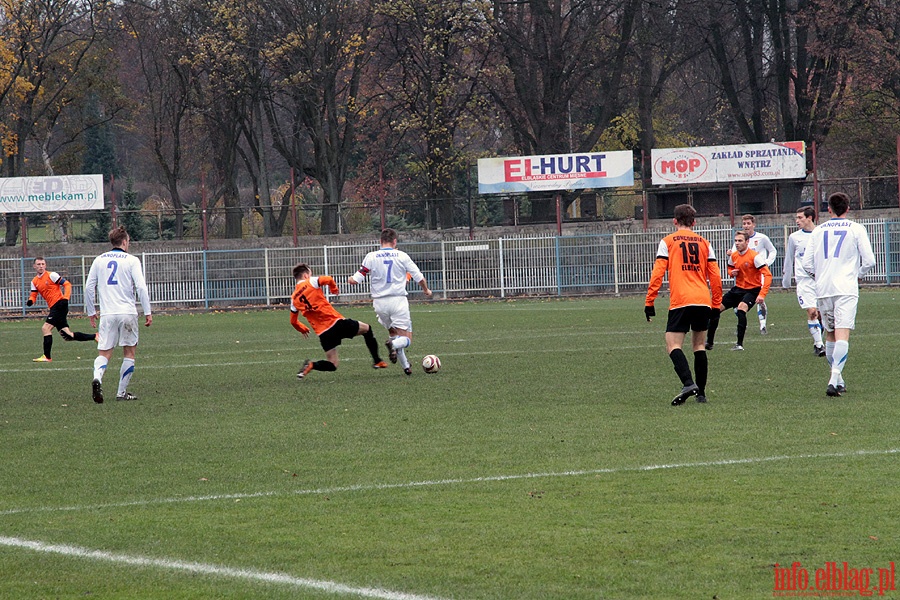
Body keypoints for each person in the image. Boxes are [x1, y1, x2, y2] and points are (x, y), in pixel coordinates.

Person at [645, 204, 723, 406]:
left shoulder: (668, 242)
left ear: (674, 221)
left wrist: (650, 300)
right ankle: (702, 394)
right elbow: (715, 276)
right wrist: (716, 304)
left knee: (673, 344)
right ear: (694, 222)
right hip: (702, 300)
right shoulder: (705, 243)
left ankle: (688, 383)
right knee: (699, 345)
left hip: (681, 300)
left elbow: (658, 273)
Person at [801, 192, 876, 397]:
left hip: (824, 288)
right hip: (845, 288)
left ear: (829, 209)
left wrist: (819, 275)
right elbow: (869, 261)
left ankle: (839, 380)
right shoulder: (856, 228)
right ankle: (834, 379)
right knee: (843, 332)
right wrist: (857, 275)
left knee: (831, 333)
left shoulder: (818, 231)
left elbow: (807, 263)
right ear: (848, 208)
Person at [347, 228, 432, 376]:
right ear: (395, 241)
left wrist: (350, 279)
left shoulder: (371, 256)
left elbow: (356, 279)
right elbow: (419, 277)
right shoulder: (402, 256)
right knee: (406, 339)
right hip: (398, 301)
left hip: (379, 303)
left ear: (380, 242)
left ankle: (406, 366)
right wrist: (426, 290)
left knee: (393, 332)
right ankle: (393, 345)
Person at [84, 226, 152, 403]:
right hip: (127, 313)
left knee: (104, 353)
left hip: (107, 314)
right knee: (129, 352)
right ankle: (121, 392)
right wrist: (148, 311)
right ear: (124, 242)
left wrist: (91, 312)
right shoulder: (131, 260)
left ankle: (98, 378)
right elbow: (141, 287)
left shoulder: (99, 260)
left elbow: (88, 287)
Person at [290, 263, 388, 380]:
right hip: (336, 323)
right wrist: (334, 288)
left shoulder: (294, 298)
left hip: (323, 333)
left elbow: (293, 321)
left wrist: (302, 328)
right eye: (310, 274)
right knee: (367, 329)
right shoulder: (310, 282)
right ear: (306, 275)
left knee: (333, 365)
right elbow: (329, 279)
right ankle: (377, 361)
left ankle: (311, 365)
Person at [707, 230, 772, 351]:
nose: (737, 243)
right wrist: (732, 273)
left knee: (741, 309)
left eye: (740, 241)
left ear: (747, 242)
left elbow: (768, 275)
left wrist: (762, 294)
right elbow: (730, 268)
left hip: (752, 290)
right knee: (715, 309)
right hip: (737, 289)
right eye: (736, 241)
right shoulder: (734, 255)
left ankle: (739, 344)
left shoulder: (755, 257)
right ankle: (709, 342)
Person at [27, 256, 97, 362]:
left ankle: (47, 356)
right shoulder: (34, 281)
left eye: (42, 264)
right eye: (38, 264)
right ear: (34, 266)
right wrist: (31, 301)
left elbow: (67, 284)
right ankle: (95, 336)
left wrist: (65, 298)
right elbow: (33, 294)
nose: (41, 266)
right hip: (54, 307)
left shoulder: (52, 275)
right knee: (67, 335)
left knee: (45, 328)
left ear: (45, 265)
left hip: (60, 304)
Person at [781, 206, 826, 356]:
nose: (797, 221)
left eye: (800, 218)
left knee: (821, 314)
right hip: (804, 281)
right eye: (797, 218)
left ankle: (818, 336)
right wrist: (786, 281)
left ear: (810, 218)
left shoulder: (821, 234)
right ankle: (820, 346)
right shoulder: (795, 237)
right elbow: (789, 260)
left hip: (821, 280)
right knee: (812, 311)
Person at [730, 214, 777, 334]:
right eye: (744, 224)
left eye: (748, 223)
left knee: (760, 299)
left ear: (753, 225)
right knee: (738, 303)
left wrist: (766, 263)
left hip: (758, 274)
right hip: (743, 277)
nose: (746, 226)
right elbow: (733, 257)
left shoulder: (762, 238)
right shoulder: (739, 239)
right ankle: (742, 324)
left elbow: (773, 250)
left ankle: (763, 325)